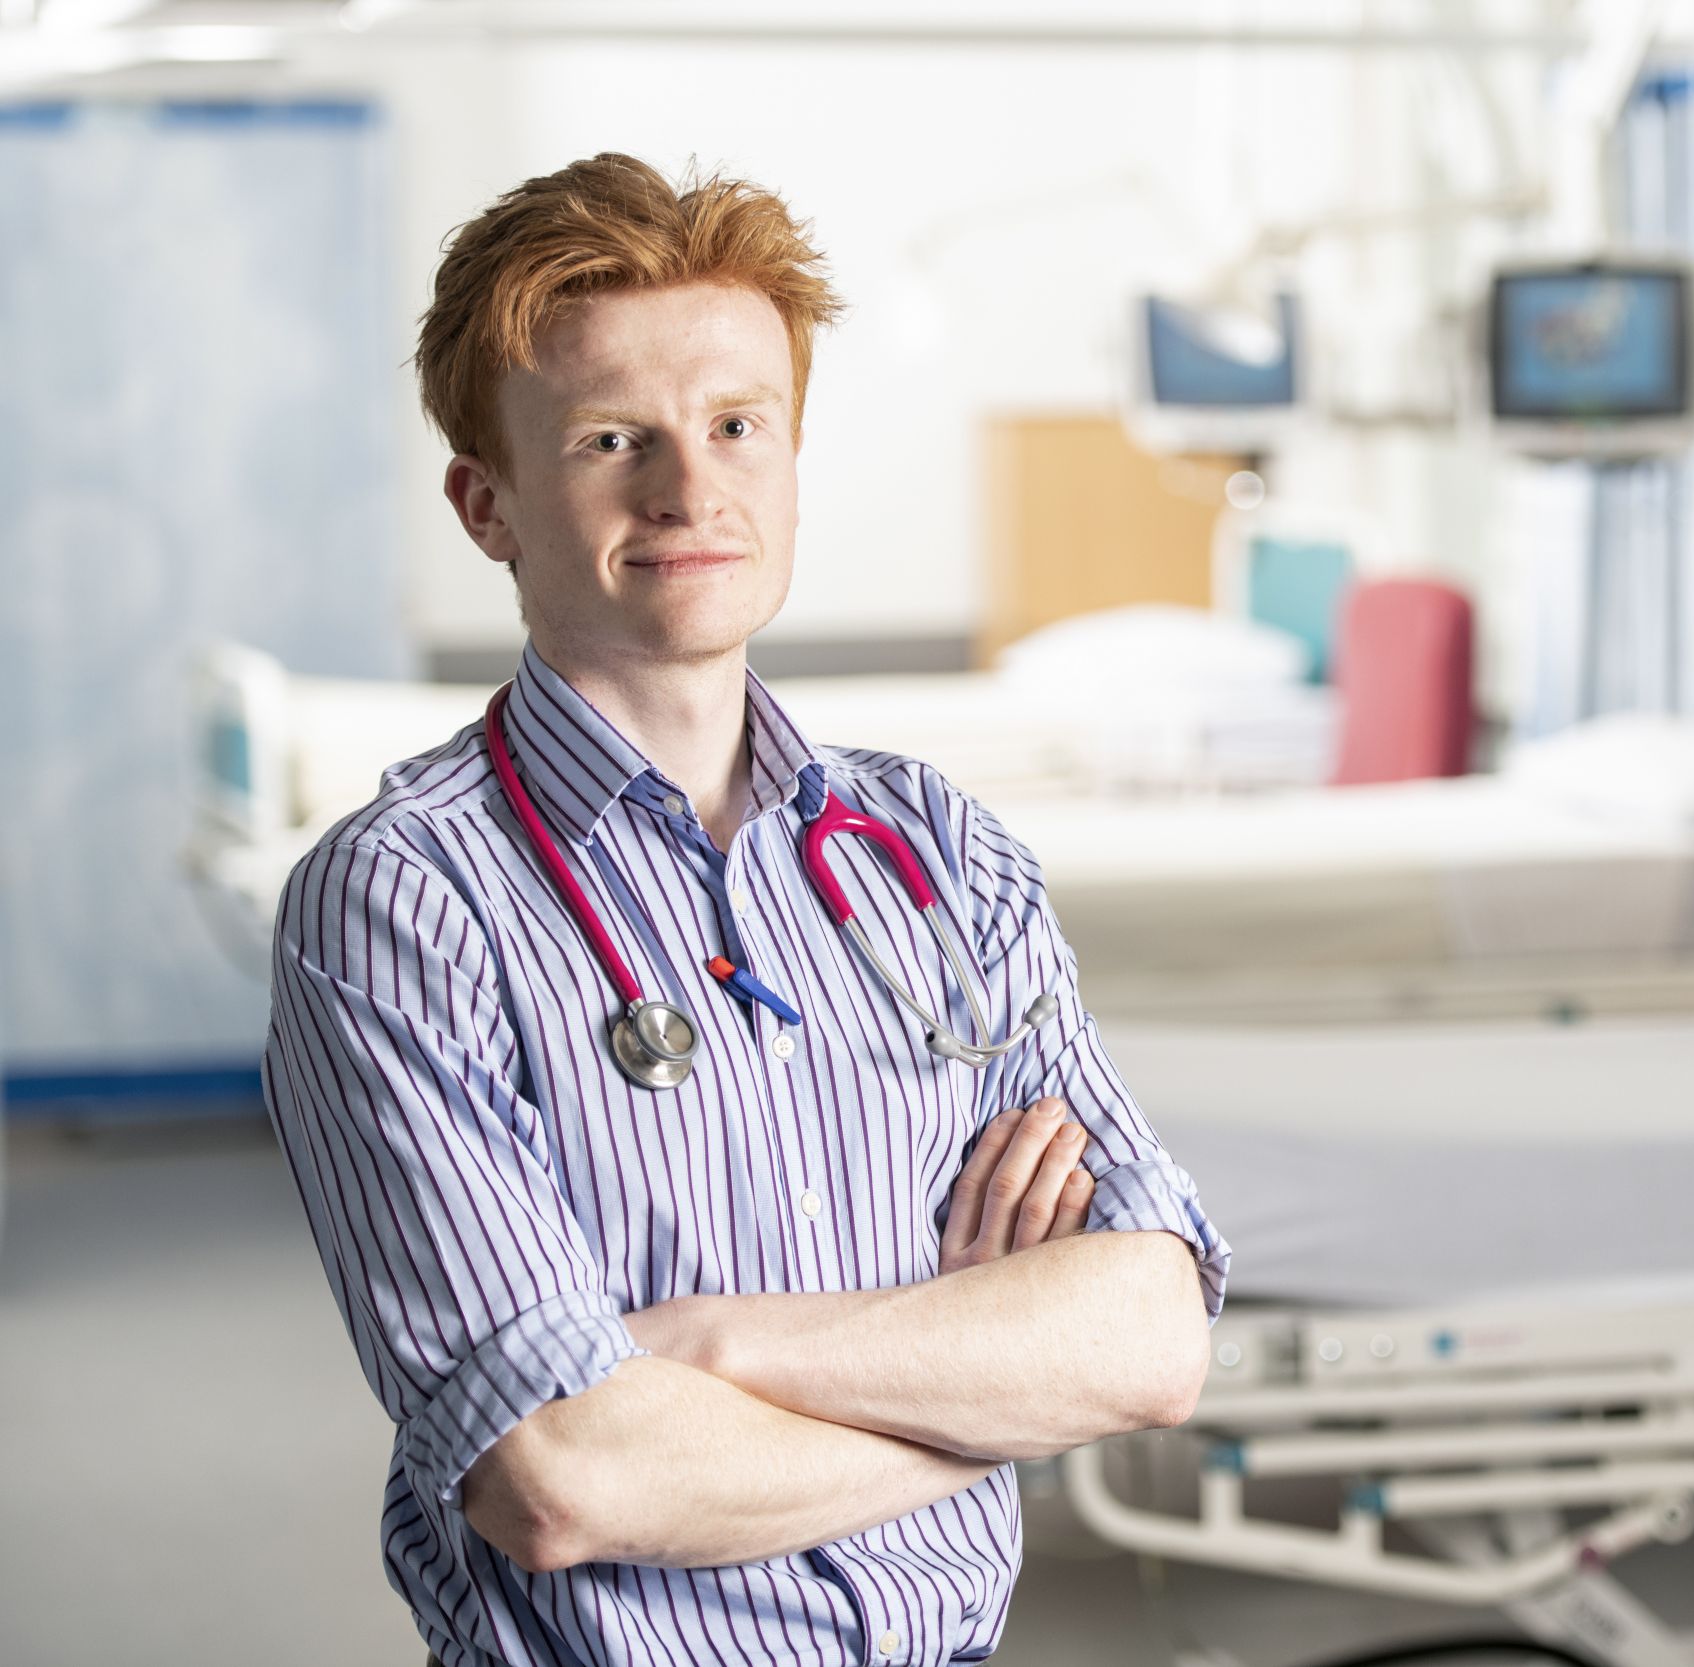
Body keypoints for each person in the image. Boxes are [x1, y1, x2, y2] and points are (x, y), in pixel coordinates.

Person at [261, 152, 1229, 1667]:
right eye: (608, 439)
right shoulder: (402, 904)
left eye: (735, 427)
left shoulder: (941, 854)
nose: (689, 489)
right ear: (487, 501)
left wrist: (716, 1345)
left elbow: (1152, 1338)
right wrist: (987, 1411)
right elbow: (565, 1477)